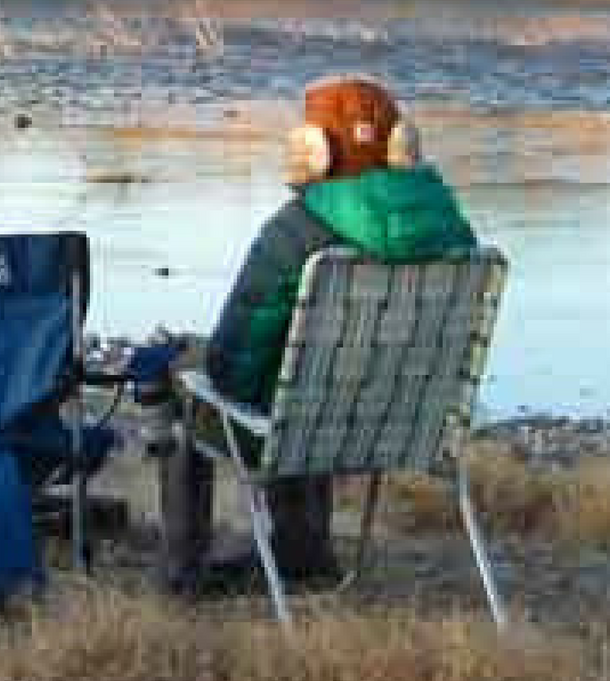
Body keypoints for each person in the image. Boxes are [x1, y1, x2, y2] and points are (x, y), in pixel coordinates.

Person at [160, 76, 477, 596]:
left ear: (312, 149)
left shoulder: (296, 227)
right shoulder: (453, 227)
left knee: (190, 375)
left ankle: (183, 573)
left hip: (305, 428)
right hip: (411, 426)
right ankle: (303, 551)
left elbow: (237, 358)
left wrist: (204, 373)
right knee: (322, 372)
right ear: (402, 145)